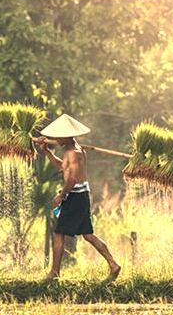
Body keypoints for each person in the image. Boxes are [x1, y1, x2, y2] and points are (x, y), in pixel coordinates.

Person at [36, 114, 121, 282]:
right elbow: (63, 167)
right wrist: (46, 151)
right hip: (81, 195)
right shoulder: (75, 150)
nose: (56, 139)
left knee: (59, 233)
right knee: (88, 234)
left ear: (66, 136)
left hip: (75, 196)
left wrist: (61, 196)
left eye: (58, 136)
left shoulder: (73, 153)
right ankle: (113, 264)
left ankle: (54, 273)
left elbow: (72, 179)